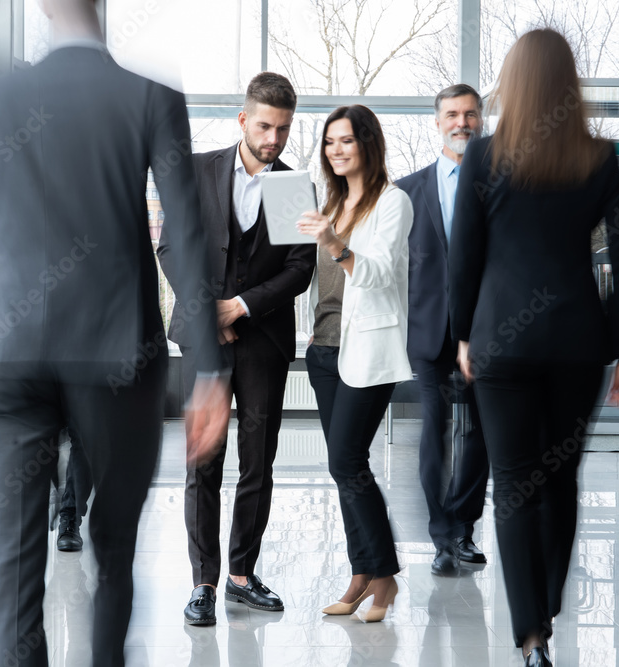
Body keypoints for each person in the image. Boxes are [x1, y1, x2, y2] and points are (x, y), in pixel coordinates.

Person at [0, 0, 230, 664]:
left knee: (8, 581)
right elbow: (186, 236)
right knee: (115, 554)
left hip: (0, 360)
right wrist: (210, 369)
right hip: (116, 352)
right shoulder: (150, 96)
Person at [449, 29, 619, 667]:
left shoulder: (481, 156)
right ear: (568, 84)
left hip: (501, 339)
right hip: (576, 342)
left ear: (514, 82)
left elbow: (463, 256)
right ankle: (547, 602)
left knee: (513, 485)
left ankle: (531, 634)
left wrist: (463, 335)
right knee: (560, 478)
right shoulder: (601, 158)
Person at [158, 72, 316, 626]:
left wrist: (241, 306)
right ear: (243, 119)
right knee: (203, 459)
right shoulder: (198, 170)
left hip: (264, 340)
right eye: (266, 125)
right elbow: (171, 246)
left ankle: (241, 576)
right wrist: (210, 313)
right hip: (204, 339)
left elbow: (300, 270)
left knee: (258, 462)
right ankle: (202, 582)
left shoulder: (294, 186)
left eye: (284, 129)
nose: (274, 139)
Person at [297, 104, 413, 623]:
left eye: (345, 140)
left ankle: (383, 575)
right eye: (329, 142)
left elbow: (381, 275)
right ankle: (362, 573)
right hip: (322, 350)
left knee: (346, 462)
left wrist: (335, 244)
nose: (336, 150)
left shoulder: (393, 203)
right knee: (346, 470)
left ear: (368, 143)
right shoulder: (332, 203)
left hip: (366, 352)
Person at [396, 83, 490, 576]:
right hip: (427, 334)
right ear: (437, 121)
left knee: (481, 434)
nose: (462, 123)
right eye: (452, 114)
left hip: (486, 332)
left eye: (471, 114)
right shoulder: (407, 191)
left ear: (481, 120)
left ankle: (465, 527)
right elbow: (391, 268)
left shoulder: (501, 185)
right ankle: (441, 536)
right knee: (435, 428)